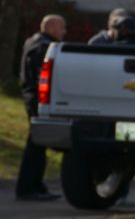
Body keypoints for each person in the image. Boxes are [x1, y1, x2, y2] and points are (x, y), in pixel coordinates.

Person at [17, 14, 66, 201]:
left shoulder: (33, 42)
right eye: (61, 28)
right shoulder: (44, 47)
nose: (64, 32)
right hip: (38, 100)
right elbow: (42, 77)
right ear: (51, 28)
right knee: (36, 145)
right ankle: (28, 187)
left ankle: (35, 185)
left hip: (32, 98)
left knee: (37, 144)